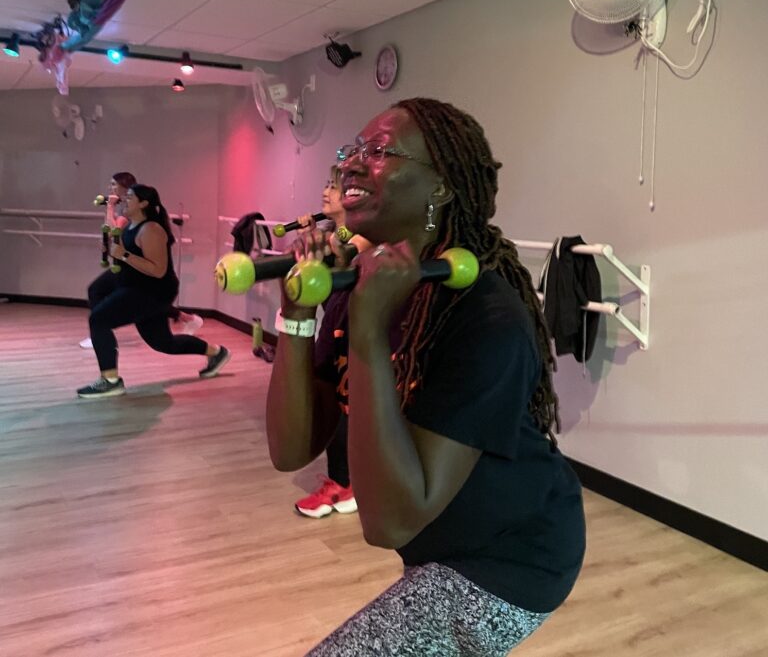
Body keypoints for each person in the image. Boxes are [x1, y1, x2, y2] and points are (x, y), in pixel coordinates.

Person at [266, 98, 586, 655]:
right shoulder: (363, 287)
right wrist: (296, 313)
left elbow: (388, 522)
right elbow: (291, 449)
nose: (352, 164)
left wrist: (367, 334)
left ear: (440, 186)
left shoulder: (486, 314)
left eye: (380, 151)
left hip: (510, 561)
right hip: (437, 543)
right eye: (352, 150)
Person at [77, 184, 229, 398]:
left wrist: (124, 256)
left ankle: (110, 380)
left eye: (130, 197)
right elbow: (117, 240)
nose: (125, 199)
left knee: (99, 319)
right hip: (137, 288)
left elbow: (158, 270)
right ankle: (216, 352)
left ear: (144, 203)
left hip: (151, 292)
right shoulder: (131, 225)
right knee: (163, 343)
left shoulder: (152, 230)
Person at [293, 166, 370, 518]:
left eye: (334, 187)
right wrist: (312, 235)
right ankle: (344, 481)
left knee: (348, 412)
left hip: (356, 337)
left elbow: (346, 249)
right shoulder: (334, 232)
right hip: (335, 328)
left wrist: (322, 239)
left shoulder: (362, 235)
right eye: (325, 183)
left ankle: (344, 485)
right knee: (331, 407)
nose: (326, 191)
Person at [79, 172, 203, 349]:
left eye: (114, 185)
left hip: (137, 267)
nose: (110, 188)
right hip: (130, 265)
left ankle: (100, 329)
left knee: (102, 291)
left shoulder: (132, 209)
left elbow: (117, 230)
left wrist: (109, 208)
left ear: (125, 187)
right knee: (101, 290)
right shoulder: (126, 206)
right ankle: (186, 318)